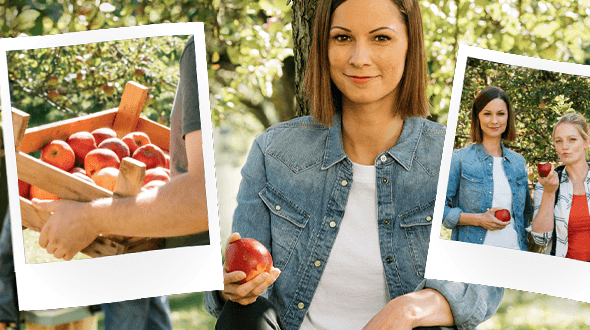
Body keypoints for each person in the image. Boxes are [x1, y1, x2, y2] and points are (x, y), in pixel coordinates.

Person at [204, 0, 501, 329]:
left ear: (410, 46)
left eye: (381, 38)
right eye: (343, 38)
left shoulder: (454, 157)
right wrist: (231, 288)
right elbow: (239, 285)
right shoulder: (273, 151)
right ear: (324, 47)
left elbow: (483, 283)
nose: (360, 58)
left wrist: (413, 307)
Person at [0, 37, 209, 330]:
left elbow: (199, 197)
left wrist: (89, 217)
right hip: (144, 231)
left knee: (137, 301)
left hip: (145, 228)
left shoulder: (196, 53)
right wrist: (6, 310)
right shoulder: (38, 179)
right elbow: (9, 247)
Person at [443, 86, 531, 251]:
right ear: (477, 117)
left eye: (500, 114)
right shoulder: (459, 159)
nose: (494, 121)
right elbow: (439, 210)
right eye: (487, 113)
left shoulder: (518, 162)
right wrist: (478, 219)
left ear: (508, 117)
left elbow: (524, 215)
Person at [530, 113, 590, 263]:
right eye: (558, 141)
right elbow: (540, 239)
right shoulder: (546, 185)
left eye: (572, 140)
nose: (564, 147)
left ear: (586, 142)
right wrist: (549, 193)